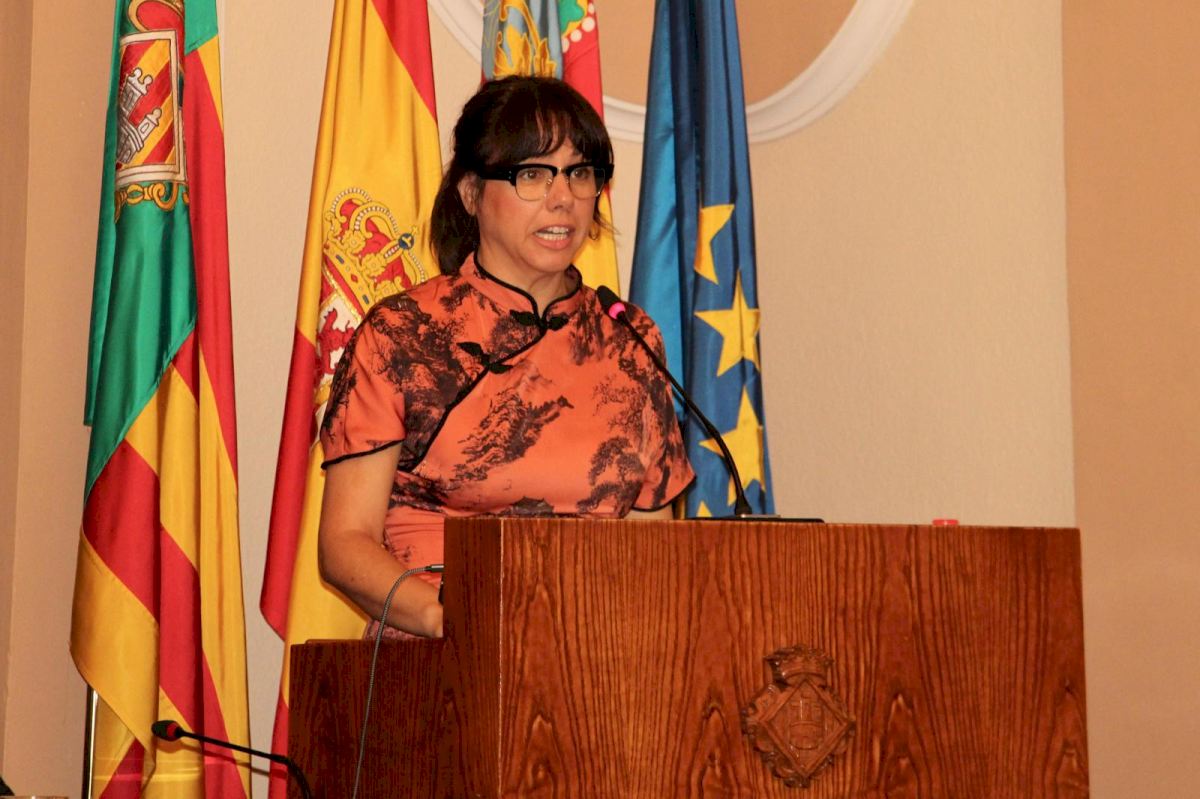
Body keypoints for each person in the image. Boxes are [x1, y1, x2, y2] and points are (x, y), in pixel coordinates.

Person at [317, 76, 694, 638]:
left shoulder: (630, 340)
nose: (563, 197)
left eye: (580, 173)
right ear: (471, 193)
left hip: (599, 654)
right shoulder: (404, 335)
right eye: (533, 174)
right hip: (442, 651)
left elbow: (655, 548)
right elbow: (345, 543)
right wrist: (454, 621)